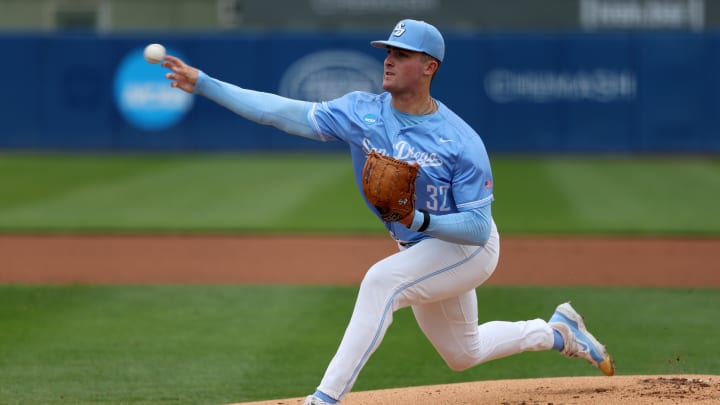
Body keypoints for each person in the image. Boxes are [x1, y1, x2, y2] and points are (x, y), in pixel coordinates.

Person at [162, 19, 615, 405]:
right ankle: (558, 332)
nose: (389, 59)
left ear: (429, 67)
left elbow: (477, 229)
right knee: (463, 351)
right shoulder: (362, 112)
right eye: (388, 51)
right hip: (419, 245)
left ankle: (324, 398)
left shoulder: (460, 141)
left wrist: (420, 220)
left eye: (403, 52)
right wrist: (205, 84)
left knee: (382, 281)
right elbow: (281, 112)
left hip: (465, 247)